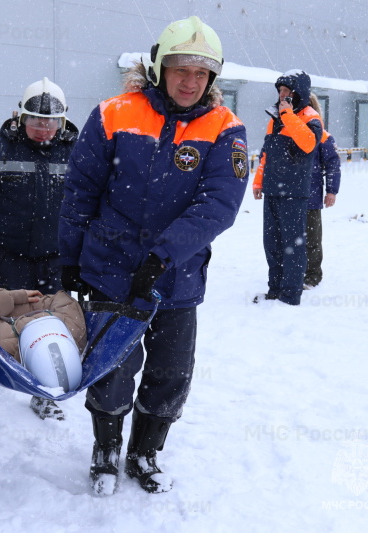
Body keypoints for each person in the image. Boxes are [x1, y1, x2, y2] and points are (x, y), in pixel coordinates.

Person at [59, 16, 249, 496]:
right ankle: (105, 450)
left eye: (201, 73)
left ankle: (145, 453)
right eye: (181, 69)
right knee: (111, 367)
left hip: (177, 278)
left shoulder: (225, 128)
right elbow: (80, 191)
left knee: (170, 373)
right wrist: (69, 258)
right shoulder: (114, 113)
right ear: (159, 67)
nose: (190, 81)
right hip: (110, 270)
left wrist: (163, 256)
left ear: (212, 79)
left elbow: (219, 204)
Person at [0, 77, 79, 420]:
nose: (43, 128)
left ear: (62, 121)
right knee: (16, 315)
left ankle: (47, 387)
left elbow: (90, 205)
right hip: (12, 253)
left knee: (52, 320)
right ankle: (12, 372)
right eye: (35, 120)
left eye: (50, 122)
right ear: (20, 115)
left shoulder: (77, 152)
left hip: (57, 256)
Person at [252, 70, 323, 305]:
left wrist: (288, 114)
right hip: (272, 189)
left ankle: (290, 295)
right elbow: (266, 154)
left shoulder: (310, 117)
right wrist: (258, 181)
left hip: (294, 192)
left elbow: (308, 143)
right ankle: (275, 289)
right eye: (280, 91)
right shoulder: (274, 119)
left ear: (298, 93)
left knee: (292, 246)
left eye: (287, 91)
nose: (282, 95)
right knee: (271, 243)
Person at [304, 93, 342, 289]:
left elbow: (333, 164)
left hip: (310, 199)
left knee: (311, 240)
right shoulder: (288, 132)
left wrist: (331, 191)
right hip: (289, 197)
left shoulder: (323, 136)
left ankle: (312, 275)